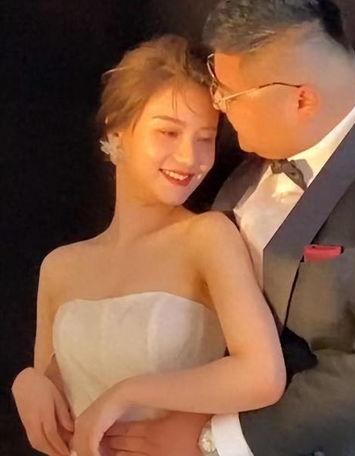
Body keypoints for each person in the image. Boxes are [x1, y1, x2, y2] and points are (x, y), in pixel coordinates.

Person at [96, 1, 355, 455]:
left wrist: (214, 439)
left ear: (302, 99)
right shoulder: (242, 175)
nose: (219, 107)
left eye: (229, 96)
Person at [11, 34, 285, 456]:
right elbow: (58, 419)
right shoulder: (60, 267)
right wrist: (27, 382)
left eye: (205, 138)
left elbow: (263, 376)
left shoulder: (207, 237)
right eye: (168, 132)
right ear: (117, 131)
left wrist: (130, 392)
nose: (190, 158)